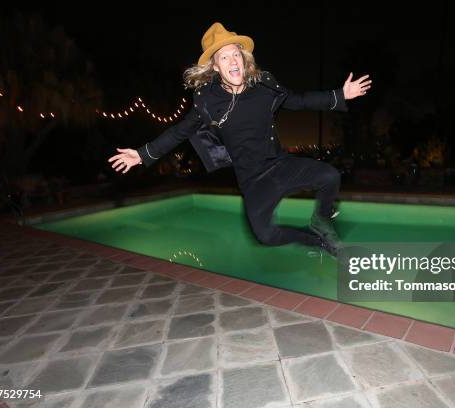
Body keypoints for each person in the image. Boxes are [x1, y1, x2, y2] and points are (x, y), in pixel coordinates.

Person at [108, 22, 371, 256]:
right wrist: (142, 154)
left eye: (236, 54)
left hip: (279, 165)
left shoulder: (264, 86)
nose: (233, 61)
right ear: (215, 66)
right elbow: (180, 131)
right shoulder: (207, 101)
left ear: (244, 58)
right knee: (265, 236)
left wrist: (339, 95)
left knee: (330, 176)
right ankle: (316, 242)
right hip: (253, 181)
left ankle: (321, 220)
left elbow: (297, 100)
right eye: (225, 57)